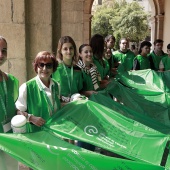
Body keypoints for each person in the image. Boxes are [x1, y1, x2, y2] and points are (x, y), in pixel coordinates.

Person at [16, 51, 61, 133]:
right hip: (36, 137)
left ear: (53, 68)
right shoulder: (26, 87)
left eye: (49, 65)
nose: (45, 69)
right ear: (36, 67)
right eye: (41, 65)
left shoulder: (56, 86)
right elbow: (17, 112)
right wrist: (31, 118)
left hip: (54, 135)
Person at [0, 36, 19, 169]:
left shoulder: (11, 81)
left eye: (4, 50)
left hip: (10, 138)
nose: (1, 54)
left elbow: (14, 105)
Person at [52, 36, 83, 104]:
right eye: (65, 49)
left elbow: (80, 89)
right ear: (60, 50)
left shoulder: (78, 69)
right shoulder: (55, 68)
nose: (68, 51)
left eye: (71, 48)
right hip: (60, 105)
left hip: (75, 105)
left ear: (74, 50)